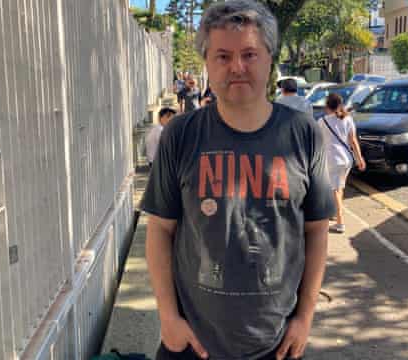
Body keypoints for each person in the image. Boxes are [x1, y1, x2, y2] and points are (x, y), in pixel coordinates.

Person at [140, 1, 335, 359]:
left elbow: (317, 230)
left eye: (249, 54)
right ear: (207, 63)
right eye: (223, 56)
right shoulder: (181, 135)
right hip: (192, 345)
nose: (237, 68)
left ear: (269, 58)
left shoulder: (303, 134)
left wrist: (305, 318)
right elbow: (160, 230)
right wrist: (168, 318)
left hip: (277, 346)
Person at [318, 93, 366, 234]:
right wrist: (360, 159)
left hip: (332, 160)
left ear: (327, 105)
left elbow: (317, 141)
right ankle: (335, 214)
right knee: (339, 188)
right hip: (346, 160)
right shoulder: (348, 119)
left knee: (335, 190)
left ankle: (340, 223)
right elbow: (353, 141)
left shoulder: (322, 121)